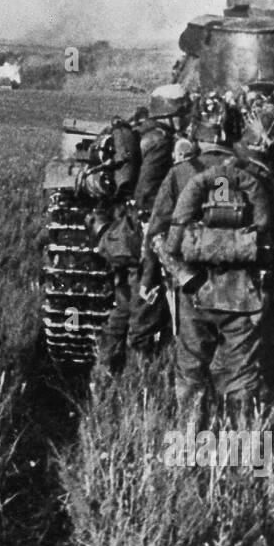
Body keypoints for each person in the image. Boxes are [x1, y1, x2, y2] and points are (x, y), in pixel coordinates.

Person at [146, 94, 274, 411]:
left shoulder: (180, 173)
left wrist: (157, 280)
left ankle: (191, 438)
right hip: (244, 291)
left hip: (192, 286)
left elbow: (156, 234)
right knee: (241, 375)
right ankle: (243, 440)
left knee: (191, 370)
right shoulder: (257, 173)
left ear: (194, 129)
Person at [94, 84, 190, 373]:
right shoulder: (161, 141)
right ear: (172, 113)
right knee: (147, 298)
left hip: (126, 226)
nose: (187, 116)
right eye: (184, 110)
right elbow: (149, 193)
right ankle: (141, 367)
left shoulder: (141, 131)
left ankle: (107, 364)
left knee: (127, 298)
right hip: (146, 228)